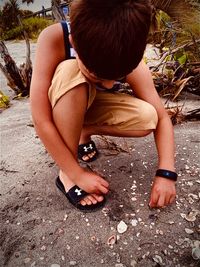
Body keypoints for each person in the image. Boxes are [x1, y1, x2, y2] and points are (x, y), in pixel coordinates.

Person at [30, 0, 177, 211]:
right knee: (72, 73)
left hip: (89, 108)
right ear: (73, 43)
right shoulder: (54, 38)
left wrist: (166, 172)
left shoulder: (126, 51)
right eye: (98, 77)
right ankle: (66, 174)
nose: (109, 85)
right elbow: (41, 119)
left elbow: (162, 118)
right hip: (59, 104)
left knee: (149, 117)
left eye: (116, 78)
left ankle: (83, 131)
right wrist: (76, 172)